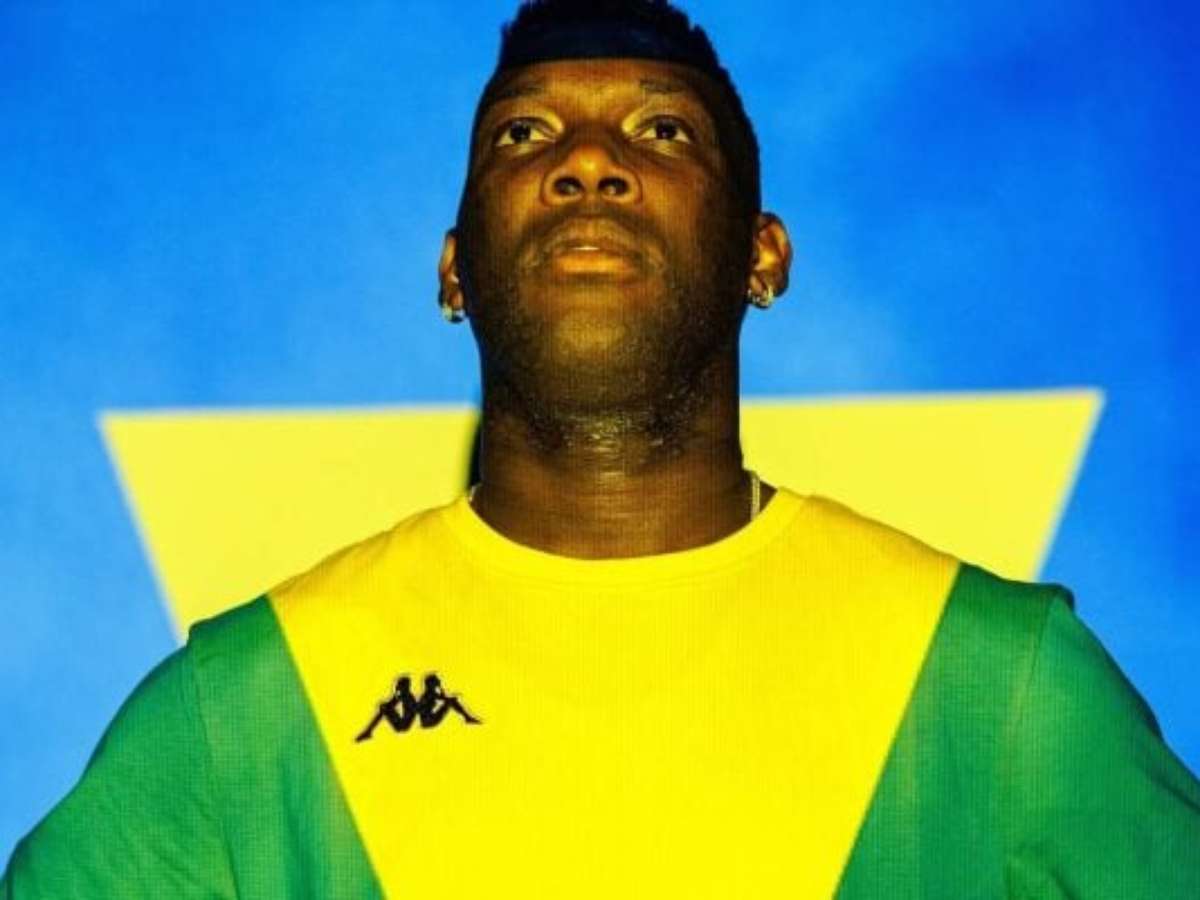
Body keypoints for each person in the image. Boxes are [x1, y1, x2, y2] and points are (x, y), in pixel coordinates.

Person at [4, 0, 1199, 896]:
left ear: (763, 255)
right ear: (454, 269)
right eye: (524, 134)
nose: (586, 160)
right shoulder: (249, 707)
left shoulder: (999, 683)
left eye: (661, 130)